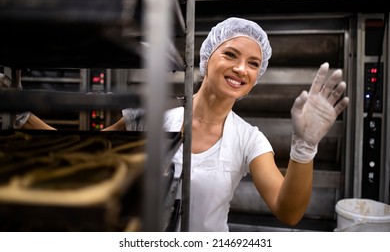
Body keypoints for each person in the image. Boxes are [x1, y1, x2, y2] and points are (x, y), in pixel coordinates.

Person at [8, 17, 349, 232]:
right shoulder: (154, 115)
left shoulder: (249, 139)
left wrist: (305, 148)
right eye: (230, 54)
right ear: (206, 58)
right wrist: (20, 113)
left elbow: (288, 211)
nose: (241, 69)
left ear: (256, 79)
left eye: (253, 63)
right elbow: (81, 154)